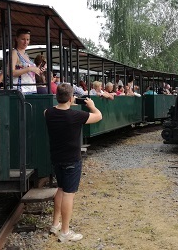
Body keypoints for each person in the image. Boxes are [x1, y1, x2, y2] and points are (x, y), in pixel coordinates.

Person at [44, 83, 102, 242]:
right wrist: (92, 105)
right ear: (71, 98)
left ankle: (55, 224)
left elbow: (54, 109)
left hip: (56, 158)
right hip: (72, 160)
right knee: (69, 194)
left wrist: (68, 102)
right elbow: (98, 116)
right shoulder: (76, 116)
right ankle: (65, 232)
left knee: (60, 189)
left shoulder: (48, 113)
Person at [10, 28, 41, 94]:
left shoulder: (26, 54)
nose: (26, 42)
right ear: (17, 39)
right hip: (21, 91)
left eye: (27, 39)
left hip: (31, 90)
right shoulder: (15, 52)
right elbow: (11, 72)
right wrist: (29, 69)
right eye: (23, 39)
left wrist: (36, 70)